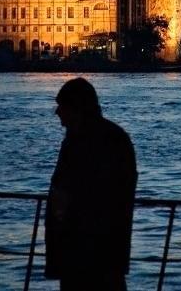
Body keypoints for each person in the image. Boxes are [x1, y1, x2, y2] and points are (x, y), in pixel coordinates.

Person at [46, 77, 138, 291]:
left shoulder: (85, 141)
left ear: (76, 108)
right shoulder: (110, 137)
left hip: (86, 249)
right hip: (99, 249)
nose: (57, 112)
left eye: (62, 106)